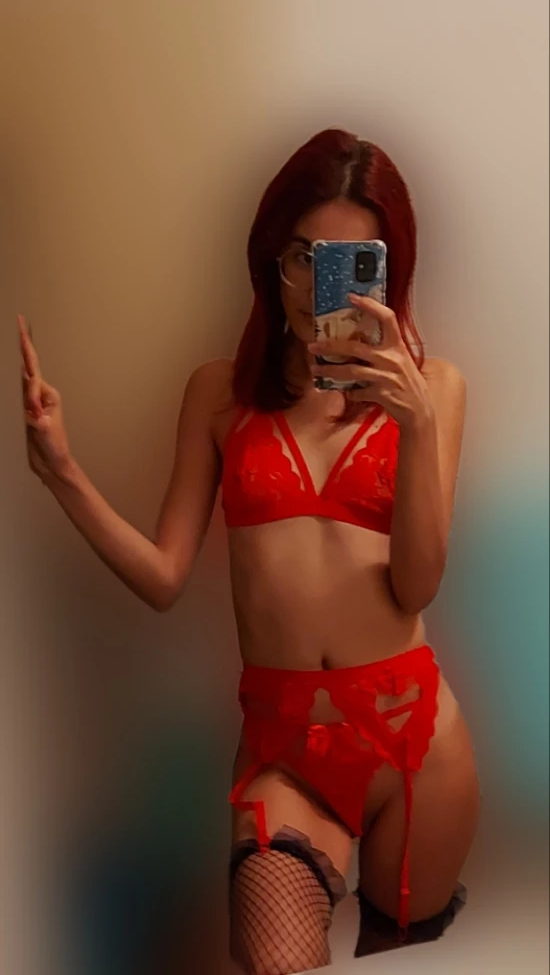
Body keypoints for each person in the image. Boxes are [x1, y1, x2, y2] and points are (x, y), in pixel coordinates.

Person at [19, 128, 480, 975]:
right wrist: (62, 474)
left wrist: (414, 424)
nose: (320, 286)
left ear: (387, 272)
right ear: (271, 259)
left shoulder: (435, 390)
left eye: (350, 262)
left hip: (417, 741)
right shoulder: (217, 396)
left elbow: (417, 583)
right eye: (303, 256)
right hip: (284, 752)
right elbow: (165, 577)